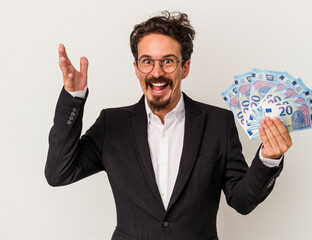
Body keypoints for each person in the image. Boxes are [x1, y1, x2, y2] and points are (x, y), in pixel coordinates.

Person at [45, 11, 292, 240]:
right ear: (136, 69)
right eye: (147, 62)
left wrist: (268, 159)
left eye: (168, 61)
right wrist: (73, 97)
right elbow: (58, 173)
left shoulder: (219, 123)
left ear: (184, 68)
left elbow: (242, 201)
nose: (157, 72)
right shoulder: (112, 124)